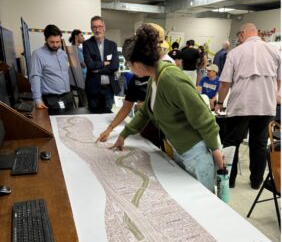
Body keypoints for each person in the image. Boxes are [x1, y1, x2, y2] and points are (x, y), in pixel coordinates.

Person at [110, 24, 224, 192]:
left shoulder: (170, 78)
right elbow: (146, 112)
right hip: (180, 150)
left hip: (197, 154)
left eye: (129, 64)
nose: (129, 68)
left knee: (203, 202)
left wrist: (217, 154)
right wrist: (123, 135)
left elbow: (204, 117)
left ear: (138, 63)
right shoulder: (154, 79)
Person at [215, 23, 281, 189]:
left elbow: (225, 84)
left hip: (240, 106)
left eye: (239, 34)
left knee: (232, 144)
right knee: (259, 145)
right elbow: (279, 80)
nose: (238, 37)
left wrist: (220, 103)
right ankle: (256, 182)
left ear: (243, 33)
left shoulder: (236, 52)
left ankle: (229, 181)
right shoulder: (275, 52)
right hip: (266, 106)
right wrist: (274, 96)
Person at [96, 23, 174, 146]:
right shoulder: (139, 77)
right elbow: (131, 108)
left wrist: (215, 152)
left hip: (170, 134)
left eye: (132, 65)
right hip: (149, 127)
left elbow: (198, 115)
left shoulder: (167, 73)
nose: (132, 69)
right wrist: (112, 129)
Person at [29, 24, 73, 110]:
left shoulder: (63, 54)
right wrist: (37, 99)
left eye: (58, 42)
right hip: (51, 99)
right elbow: (35, 77)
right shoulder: (38, 54)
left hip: (67, 96)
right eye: (52, 42)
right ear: (46, 40)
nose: (56, 45)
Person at [83, 16, 121, 113]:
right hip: (93, 89)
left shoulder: (112, 45)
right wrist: (104, 63)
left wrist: (98, 70)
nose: (97, 29)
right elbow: (90, 65)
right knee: (93, 116)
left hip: (109, 88)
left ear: (104, 27)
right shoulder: (87, 44)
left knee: (107, 115)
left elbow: (115, 66)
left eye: (99, 26)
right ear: (91, 29)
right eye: (94, 27)